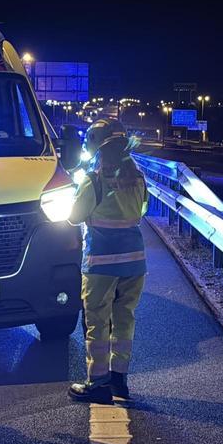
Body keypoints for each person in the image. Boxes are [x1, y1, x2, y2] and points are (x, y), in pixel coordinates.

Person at [67, 119, 148, 404]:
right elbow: (143, 210)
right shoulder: (137, 177)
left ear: (95, 146)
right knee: (124, 319)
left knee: (97, 324)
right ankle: (119, 380)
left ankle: (97, 383)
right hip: (135, 262)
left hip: (101, 262)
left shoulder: (93, 179)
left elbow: (74, 217)